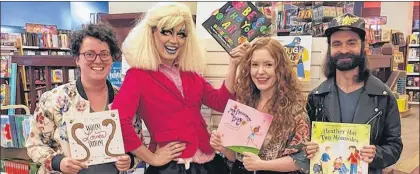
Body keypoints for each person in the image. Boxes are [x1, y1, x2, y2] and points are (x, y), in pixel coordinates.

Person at [111, 2, 248, 174]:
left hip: (210, 164)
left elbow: (220, 102)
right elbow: (117, 120)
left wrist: (233, 65)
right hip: (170, 168)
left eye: (181, 34)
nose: (174, 40)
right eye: (166, 32)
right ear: (151, 33)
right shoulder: (137, 76)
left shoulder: (190, 73)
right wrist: (150, 157)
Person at [25, 24, 140, 174]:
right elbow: (34, 144)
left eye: (105, 54)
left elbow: (138, 143)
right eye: (89, 54)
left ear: (112, 59)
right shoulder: (54, 100)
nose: (98, 60)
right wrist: (58, 162)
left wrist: (130, 160)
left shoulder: (125, 99)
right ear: (77, 59)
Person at [304, 13, 403, 174]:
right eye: (337, 44)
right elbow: (305, 142)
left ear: (363, 46)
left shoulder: (384, 96)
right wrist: (308, 148)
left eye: (351, 43)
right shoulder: (316, 97)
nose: (344, 50)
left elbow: (395, 146)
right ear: (330, 49)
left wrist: (377, 154)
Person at [210, 37, 310, 174]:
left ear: (280, 69)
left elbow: (302, 160)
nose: (260, 71)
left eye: (268, 65)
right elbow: (236, 158)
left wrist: (262, 164)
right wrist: (223, 147)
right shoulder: (244, 103)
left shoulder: (295, 111)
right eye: (255, 65)